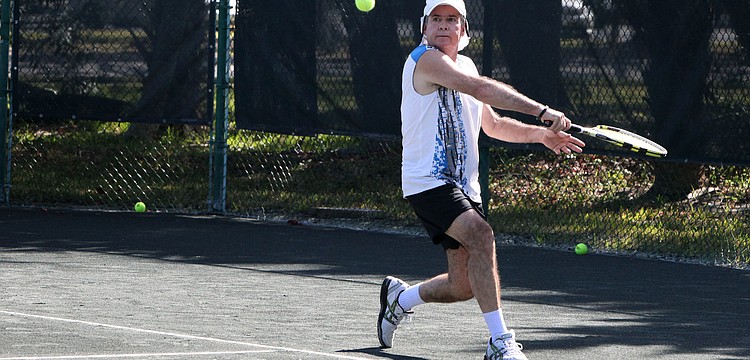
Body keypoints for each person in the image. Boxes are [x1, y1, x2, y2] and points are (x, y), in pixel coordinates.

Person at [377, 1, 586, 359]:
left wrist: (540, 134)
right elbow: (480, 88)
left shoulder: (467, 64)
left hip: (462, 187)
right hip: (428, 181)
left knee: (463, 286)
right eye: (436, 20)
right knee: (482, 234)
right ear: (424, 27)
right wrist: (542, 110)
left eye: (452, 20)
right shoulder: (425, 60)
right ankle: (499, 342)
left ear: (464, 29)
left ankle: (401, 298)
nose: (443, 26)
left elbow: (493, 124)